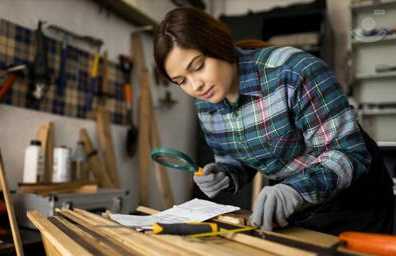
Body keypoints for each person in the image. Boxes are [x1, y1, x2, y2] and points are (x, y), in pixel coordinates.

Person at [153, 7, 394, 235]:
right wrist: (226, 173)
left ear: (219, 45)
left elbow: (348, 152)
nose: (196, 86)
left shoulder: (295, 72)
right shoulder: (206, 103)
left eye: (198, 66)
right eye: (181, 81)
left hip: (357, 200)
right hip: (297, 203)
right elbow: (240, 157)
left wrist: (295, 190)